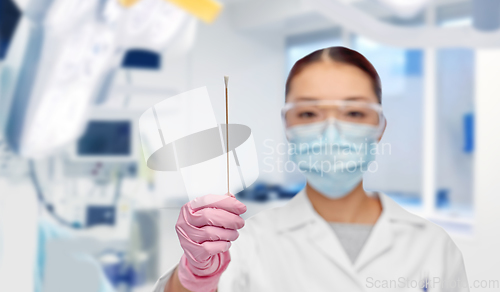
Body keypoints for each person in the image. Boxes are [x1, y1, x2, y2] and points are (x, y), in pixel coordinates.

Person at [154, 47, 469, 292]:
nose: (330, 132)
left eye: (355, 112)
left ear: (380, 126)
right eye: (308, 113)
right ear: (287, 125)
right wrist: (194, 274)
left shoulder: (432, 246)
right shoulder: (247, 244)